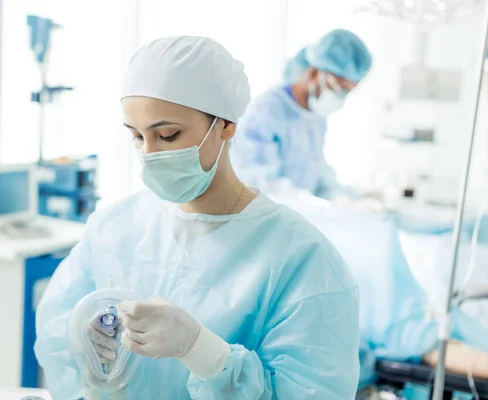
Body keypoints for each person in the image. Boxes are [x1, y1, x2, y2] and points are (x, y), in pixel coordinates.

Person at [34, 36, 360, 399]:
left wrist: (203, 352)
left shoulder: (301, 258)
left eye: (168, 135)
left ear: (226, 125)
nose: (150, 155)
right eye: (138, 137)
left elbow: (309, 391)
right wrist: (82, 340)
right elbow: (56, 335)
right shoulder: (114, 228)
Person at [232, 29, 373, 200]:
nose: (340, 98)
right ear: (314, 72)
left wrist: (350, 199)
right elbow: (259, 184)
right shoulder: (266, 111)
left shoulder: (316, 118)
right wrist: (309, 204)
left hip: (297, 217)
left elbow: (317, 176)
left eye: (347, 92)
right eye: (339, 89)